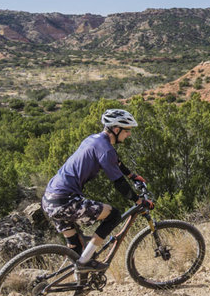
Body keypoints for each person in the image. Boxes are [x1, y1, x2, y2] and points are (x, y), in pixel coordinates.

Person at [41, 108, 152, 272]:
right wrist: (139, 201)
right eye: (127, 131)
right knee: (113, 215)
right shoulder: (106, 150)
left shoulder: (93, 139)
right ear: (116, 129)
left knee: (76, 247)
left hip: (50, 199)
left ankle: (77, 284)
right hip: (65, 201)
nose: (128, 135)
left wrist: (132, 175)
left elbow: (117, 162)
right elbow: (119, 183)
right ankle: (86, 262)